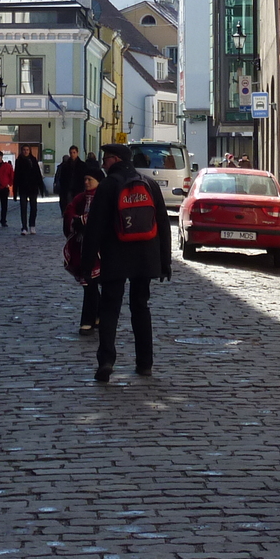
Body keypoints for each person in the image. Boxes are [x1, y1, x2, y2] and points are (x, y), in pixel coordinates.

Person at [80, 143, 171, 382]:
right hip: (146, 256)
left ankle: (107, 360)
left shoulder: (109, 185)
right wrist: (165, 262)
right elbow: (162, 223)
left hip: (116, 255)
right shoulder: (148, 183)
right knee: (141, 306)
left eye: (105, 158)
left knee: (110, 308)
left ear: (115, 159)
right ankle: (145, 363)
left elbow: (95, 228)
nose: (102, 163)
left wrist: (86, 265)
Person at [62, 159, 103, 334]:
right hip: (82, 246)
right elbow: (69, 211)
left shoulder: (103, 196)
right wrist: (76, 221)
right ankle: (96, 315)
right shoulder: (81, 197)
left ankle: (88, 321)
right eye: (85, 179)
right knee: (89, 283)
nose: (86, 183)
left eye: (90, 180)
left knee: (91, 283)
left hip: (99, 248)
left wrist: (85, 221)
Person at [13, 147, 45, 235]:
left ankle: (32, 225)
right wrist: (15, 191)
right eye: (24, 150)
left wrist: (41, 188)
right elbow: (16, 176)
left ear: (29, 151)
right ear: (22, 151)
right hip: (23, 188)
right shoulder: (19, 160)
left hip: (33, 187)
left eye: (27, 150)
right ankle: (24, 227)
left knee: (33, 208)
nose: (25, 151)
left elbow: (38, 174)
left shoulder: (33, 160)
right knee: (23, 208)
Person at [54, 145, 85, 215]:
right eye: (71, 153)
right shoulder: (65, 166)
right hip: (68, 189)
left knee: (78, 206)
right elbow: (62, 178)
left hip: (78, 189)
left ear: (77, 153)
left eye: (74, 152)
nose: (72, 154)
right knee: (69, 205)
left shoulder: (82, 165)